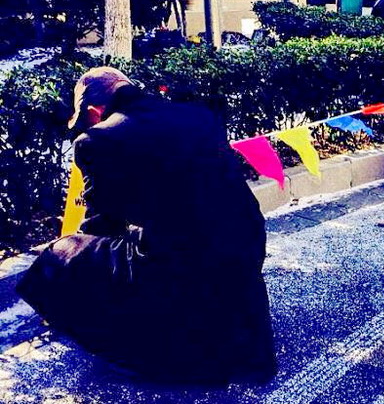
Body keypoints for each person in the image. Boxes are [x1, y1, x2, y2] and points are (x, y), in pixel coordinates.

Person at [17, 67, 276, 386]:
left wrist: (80, 261)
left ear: (94, 111)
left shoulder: (97, 140)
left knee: (65, 253)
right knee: (182, 239)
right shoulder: (198, 115)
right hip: (246, 243)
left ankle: (137, 346)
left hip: (183, 264)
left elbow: (104, 223)